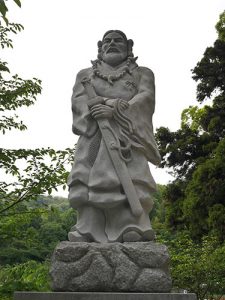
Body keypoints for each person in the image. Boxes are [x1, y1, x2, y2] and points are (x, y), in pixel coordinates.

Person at [67, 30, 161, 243]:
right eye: (107, 41)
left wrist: (115, 108)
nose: (112, 44)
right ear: (100, 46)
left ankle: (131, 226)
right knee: (86, 182)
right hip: (94, 136)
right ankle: (88, 227)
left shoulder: (142, 73)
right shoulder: (85, 75)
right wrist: (93, 111)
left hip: (128, 137)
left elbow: (145, 98)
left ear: (129, 45)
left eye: (117, 40)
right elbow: (78, 102)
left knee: (131, 182)